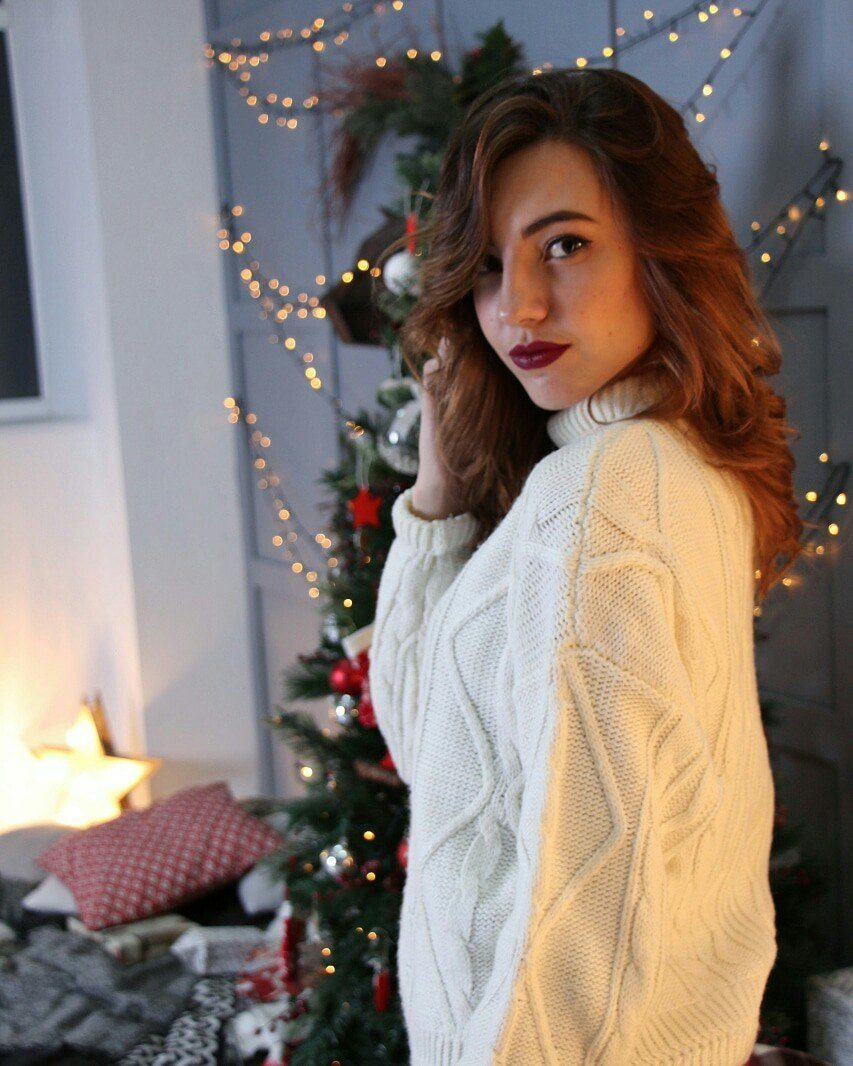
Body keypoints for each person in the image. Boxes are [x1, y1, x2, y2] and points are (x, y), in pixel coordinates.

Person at [368, 67, 803, 1065]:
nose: (516, 306)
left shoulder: (602, 493)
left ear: (659, 248)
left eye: (564, 245)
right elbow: (435, 752)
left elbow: (582, 924)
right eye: (487, 265)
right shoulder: (670, 460)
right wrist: (435, 499)